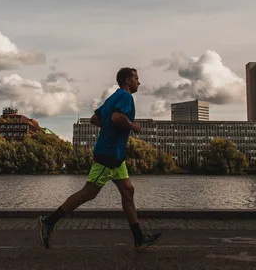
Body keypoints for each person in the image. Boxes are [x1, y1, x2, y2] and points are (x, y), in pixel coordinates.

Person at [38, 67, 163, 251]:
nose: (139, 82)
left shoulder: (112, 98)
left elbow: (94, 119)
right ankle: (49, 222)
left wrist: (108, 129)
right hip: (109, 154)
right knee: (87, 194)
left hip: (116, 156)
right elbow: (117, 117)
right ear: (128, 80)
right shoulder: (126, 97)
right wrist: (133, 126)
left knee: (128, 191)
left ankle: (139, 238)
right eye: (137, 78)